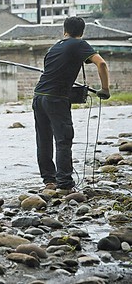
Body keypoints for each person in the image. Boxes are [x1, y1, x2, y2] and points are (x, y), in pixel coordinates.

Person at [32, 16, 110, 194]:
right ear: (82, 32)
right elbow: (102, 63)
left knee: (44, 140)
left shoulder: (54, 48)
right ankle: (65, 183)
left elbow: (54, 73)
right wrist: (105, 89)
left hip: (39, 97)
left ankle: (49, 181)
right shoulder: (79, 44)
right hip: (56, 99)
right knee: (63, 139)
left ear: (64, 30)